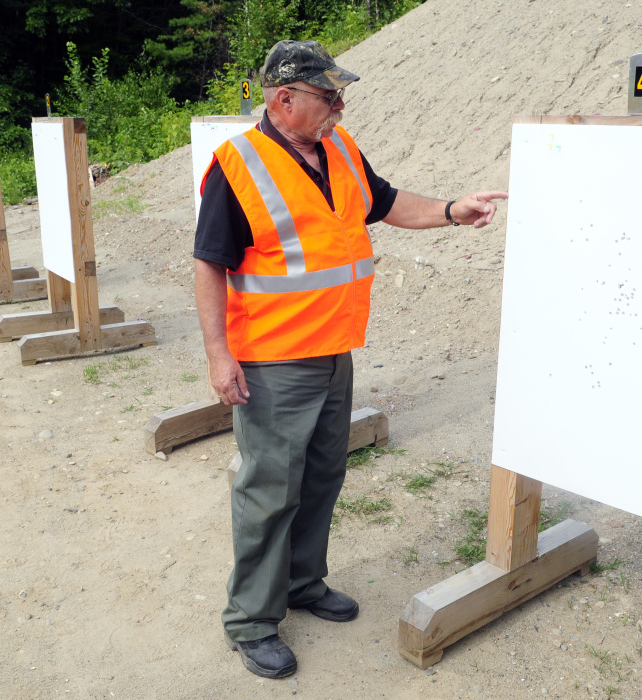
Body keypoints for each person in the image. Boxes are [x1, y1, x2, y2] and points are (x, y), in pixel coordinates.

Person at [193, 39, 507, 679]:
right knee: (268, 492)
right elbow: (209, 264)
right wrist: (219, 356)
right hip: (273, 362)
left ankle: (303, 584)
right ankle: (252, 620)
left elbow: (386, 203)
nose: (340, 104)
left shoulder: (337, 146)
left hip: (334, 352)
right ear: (285, 99)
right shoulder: (238, 166)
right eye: (328, 95)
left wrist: (452, 211)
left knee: (321, 479)